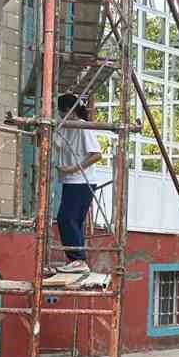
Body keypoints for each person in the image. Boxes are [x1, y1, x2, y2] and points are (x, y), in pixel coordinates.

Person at [51, 91, 103, 274]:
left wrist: (74, 168)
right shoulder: (65, 127)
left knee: (66, 219)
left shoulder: (82, 127)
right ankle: (77, 260)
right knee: (74, 221)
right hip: (70, 181)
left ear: (70, 110)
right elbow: (56, 143)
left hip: (82, 181)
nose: (60, 115)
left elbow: (97, 154)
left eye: (62, 112)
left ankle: (78, 259)